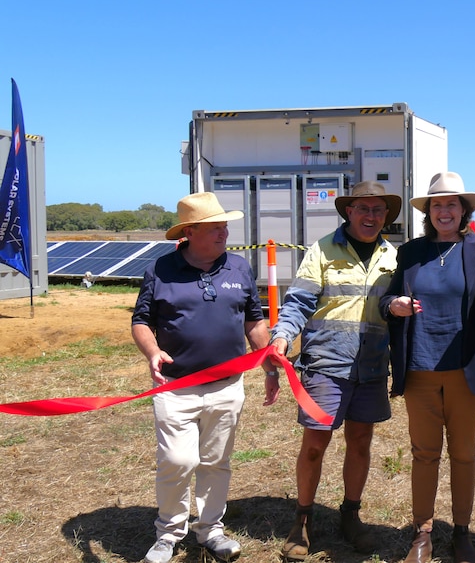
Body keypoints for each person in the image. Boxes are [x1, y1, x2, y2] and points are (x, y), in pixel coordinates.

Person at [380, 171, 475, 563]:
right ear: (429, 211)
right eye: (437, 205)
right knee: (424, 453)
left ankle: (461, 532)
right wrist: (395, 306)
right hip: (420, 368)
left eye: (451, 204)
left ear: (464, 210)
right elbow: (387, 301)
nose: (444, 211)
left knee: (464, 453)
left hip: (466, 368)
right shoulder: (410, 252)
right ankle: (422, 532)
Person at [131, 192, 273, 563]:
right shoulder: (160, 270)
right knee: (178, 461)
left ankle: (210, 529)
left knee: (216, 461)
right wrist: (152, 351)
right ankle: (168, 533)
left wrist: (270, 362)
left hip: (227, 387)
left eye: (225, 225)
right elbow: (141, 321)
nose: (224, 232)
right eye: (215, 227)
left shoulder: (240, 268)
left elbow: (253, 320)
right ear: (190, 232)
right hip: (175, 388)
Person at [264, 180, 401, 561]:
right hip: (326, 366)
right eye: (363, 209)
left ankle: (350, 515)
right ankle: (302, 520)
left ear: (386, 215)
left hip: (372, 368)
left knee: (360, 444)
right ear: (349, 212)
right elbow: (298, 302)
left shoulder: (393, 257)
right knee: (314, 447)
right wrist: (282, 336)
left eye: (378, 210)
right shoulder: (322, 250)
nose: (370, 216)